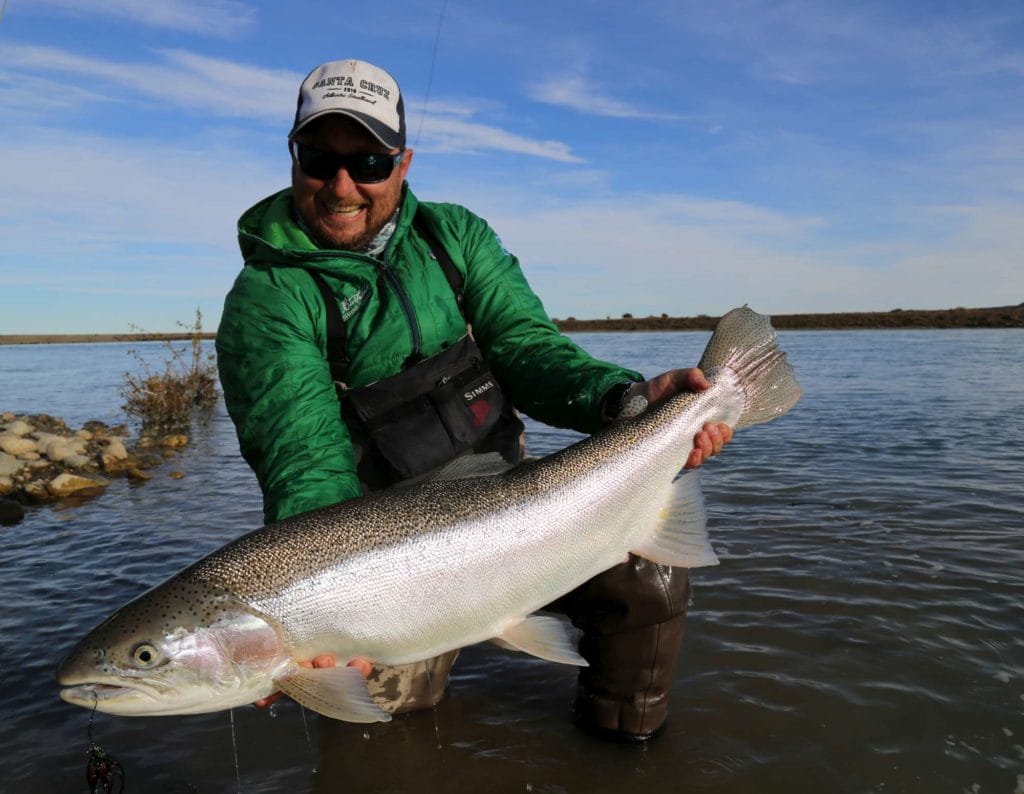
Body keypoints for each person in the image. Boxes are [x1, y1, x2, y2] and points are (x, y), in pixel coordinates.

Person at [216, 58, 731, 741]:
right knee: (374, 700)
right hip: (378, 537)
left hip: (513, 497)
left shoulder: (455, 238)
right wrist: (318, 619)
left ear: (402, 162)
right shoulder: (268, 300)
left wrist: (627, 397)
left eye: (368, 161)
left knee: (650, 582)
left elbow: (530, 350)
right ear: (293, 155)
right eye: (319, 158)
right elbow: (304, 461)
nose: (342, 186)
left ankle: (625, 747)